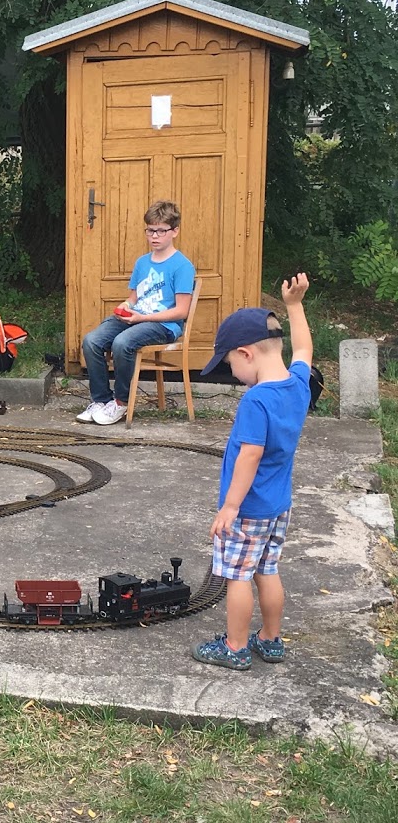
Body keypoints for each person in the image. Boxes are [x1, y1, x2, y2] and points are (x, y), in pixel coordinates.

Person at [192, 274, 313, 670]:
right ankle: (271, 639)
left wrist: (229, 507)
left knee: (237, 576)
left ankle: (236, 646)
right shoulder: (298, 385)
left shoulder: (256, 401)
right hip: (279, 505)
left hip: (248, 508)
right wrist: (294, 306)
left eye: (229, 364)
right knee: (268, 569)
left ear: (245, 353)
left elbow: (249, 456)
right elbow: (305, 351)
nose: (232, 374)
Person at [77, 201, 196, 426]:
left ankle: (121, 402)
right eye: (150, 230)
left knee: (122, 343)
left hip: (164, 325)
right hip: (136, 318)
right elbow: (134, 298)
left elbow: (181, 310)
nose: (155, 236)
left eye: (161, 231)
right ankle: (101, 400)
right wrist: (126, 307)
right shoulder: (142, 262)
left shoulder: (182, 266)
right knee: (91, 340)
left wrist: (142, 318)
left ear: (175, 231)